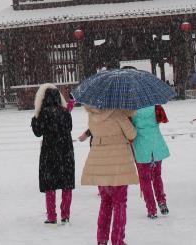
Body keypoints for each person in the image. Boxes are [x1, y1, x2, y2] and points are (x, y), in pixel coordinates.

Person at [81, 105, 139, 245]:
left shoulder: (92, 115)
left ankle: (102, 239)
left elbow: (95, 132)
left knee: (105, 203)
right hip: (118, 165)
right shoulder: (118, 114)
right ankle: (117, 240)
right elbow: (132, 134)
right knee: (119, 204)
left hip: (100, 165)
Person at [31, 84, 75, 225]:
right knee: (66, 183)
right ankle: (65, 215)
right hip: (66, 151)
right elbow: (69, 127)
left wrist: (34, 119)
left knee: (50, 185)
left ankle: (51, 216)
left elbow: (38, 132)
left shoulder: (44, 113)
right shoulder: (65, 112)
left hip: (49, 152)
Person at [132, 105, 170, 219]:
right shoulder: (156, 108)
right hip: (156, 145)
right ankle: (162, 201)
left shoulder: (132, 111)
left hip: (141, 147)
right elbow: (164, 119)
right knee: (157, 176)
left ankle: (151, 208)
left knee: (145, 179)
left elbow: (130, 130)